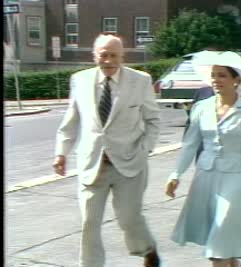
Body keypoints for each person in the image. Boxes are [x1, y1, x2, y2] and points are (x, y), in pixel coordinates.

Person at [52, 33, 161, 267]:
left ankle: (147, 250)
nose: (108, 60)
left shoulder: (140, 81)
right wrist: (61, 153)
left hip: (130, 164)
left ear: (122, 56)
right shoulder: (79, 80)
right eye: (103, 55)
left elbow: (153, 119)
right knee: (88, 223)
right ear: (95, 56)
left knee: (128, 219)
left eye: (114, 55)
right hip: (93, 164)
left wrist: (146, 148)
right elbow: (71, 120)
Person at [165, 51, 241, 267]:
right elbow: (190, 145)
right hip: (205, 177)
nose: (216, 80)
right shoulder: (201, 108)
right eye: (213, 75)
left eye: (222, 75)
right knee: (220, 243)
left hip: (236, 179)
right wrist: (176, 175)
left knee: (220, 240)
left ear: (236, 80)